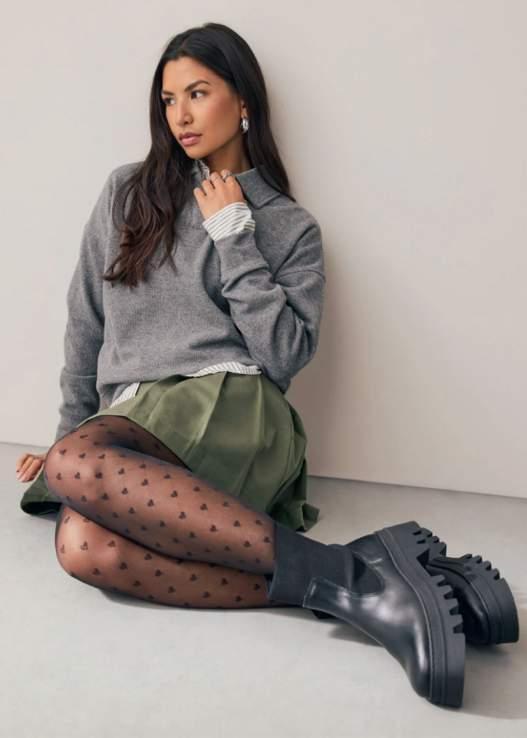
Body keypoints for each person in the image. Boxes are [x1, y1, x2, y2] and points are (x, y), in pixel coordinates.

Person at [16, 22, 518, 709]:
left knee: (74, 470)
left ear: (244, 101)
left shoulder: (289, 225)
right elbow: (87, 321)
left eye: (198, 93)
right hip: (138, 422)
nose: (181, 115)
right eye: (168, 99)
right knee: (84, 548)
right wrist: (71, 432)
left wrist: (234, 234)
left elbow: (283, 356)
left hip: (234, 411)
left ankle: (370, 581)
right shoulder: (127, 193)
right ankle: (364, 585)